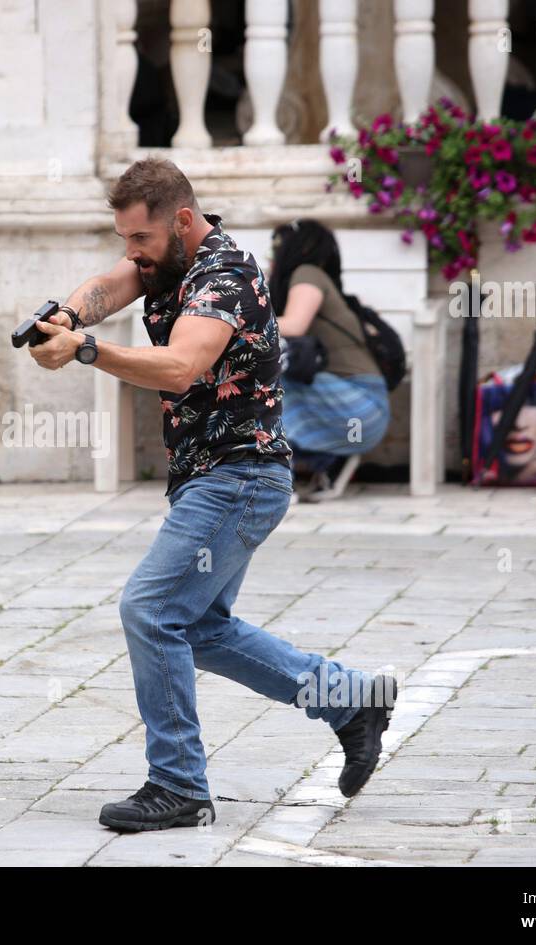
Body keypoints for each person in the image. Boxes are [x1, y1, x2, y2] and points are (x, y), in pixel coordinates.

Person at [26, 157, 398, 832]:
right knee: (196, 628)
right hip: (211, 476)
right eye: (124, 238)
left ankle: (178, 785)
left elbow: (181, 363)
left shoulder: (224, 273)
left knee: (150, 609)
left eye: (140, 238)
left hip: (240, 475)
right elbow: (110, 286)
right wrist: (64, 315)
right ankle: (350, 701)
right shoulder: (162, 262)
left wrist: (85, 350)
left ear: (183, 221)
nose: (131, 252)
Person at [267, 219, 391, 501]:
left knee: (267, 376)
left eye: (277, 249)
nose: (274, 256)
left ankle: (277, 479)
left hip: (361, 405)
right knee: (267, 373)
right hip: (358, 410)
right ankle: (328, 462)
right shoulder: (309, 279)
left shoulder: (308, 273)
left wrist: (229, 321)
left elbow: (295, 325)